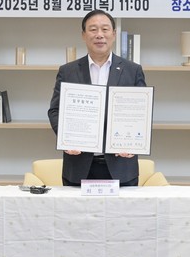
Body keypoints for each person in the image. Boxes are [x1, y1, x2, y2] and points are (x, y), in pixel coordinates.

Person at [48, 9, 146, 186]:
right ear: (83, 35)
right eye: (93, 29)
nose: (99, 35)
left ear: (114, 34)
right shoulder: (68, 71)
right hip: (78, 165)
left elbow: (141, 113)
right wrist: (65, 138)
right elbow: (55, 110)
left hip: (121, 166)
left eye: (105, 29)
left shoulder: (133, 70)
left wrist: (134, 143)